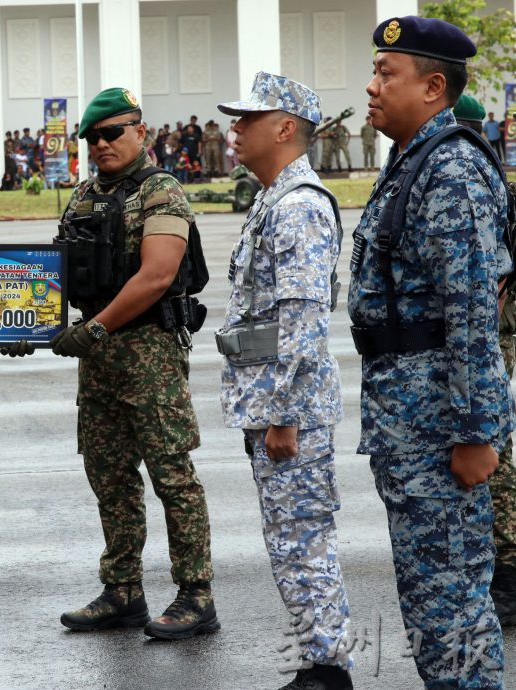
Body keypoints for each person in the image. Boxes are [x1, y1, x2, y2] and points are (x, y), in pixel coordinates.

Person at [348, 17, 513, 688]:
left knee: (452, 613)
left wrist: (475, 434)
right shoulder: (412, 159)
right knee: (431, 607)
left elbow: (473, 311)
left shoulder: (450, 168)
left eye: (388, 73)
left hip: (440, 430)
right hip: (408, 425)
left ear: (433, 86)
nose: (371, 84)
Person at [45, 87, 217, 640]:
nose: (101, 144)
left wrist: (93, 330)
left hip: (147, 352)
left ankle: (196, 594)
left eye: (112, 133)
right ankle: (122, 591)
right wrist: (27, 321)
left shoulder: (160, 191)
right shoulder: (84, 195)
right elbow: (56, 275)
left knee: (171, 474)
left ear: (140, 132)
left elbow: (157, 275)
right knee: (109, 475)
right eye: (92, 137)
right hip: (96, 356)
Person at [216, 72, 353, 690]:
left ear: (285, 127)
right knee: (289, 540)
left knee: (304, 542)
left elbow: (302, 322)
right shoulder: (274, 198)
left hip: (288, 411)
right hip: (276, 404)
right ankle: (318, 662)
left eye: (248, 120)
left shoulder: (297, 206)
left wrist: (282, 413)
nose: (235, 130)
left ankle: (328, 668)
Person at [455, 94, 516, 628]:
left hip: (496, 335)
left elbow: (490, 284)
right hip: (492, 334)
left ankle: (511, 568)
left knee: (495, 448)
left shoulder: (480, 186)